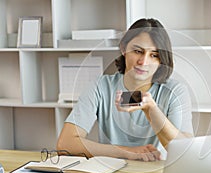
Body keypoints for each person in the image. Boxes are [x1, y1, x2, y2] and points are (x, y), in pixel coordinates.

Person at [56, 18, 194, 162]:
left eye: (154, 55)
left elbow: (184, 150)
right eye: (137, 51)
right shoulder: (100, 87)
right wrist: (128, 152)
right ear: (123, 48)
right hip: (110, 172)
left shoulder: (174, 91)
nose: (143, 62)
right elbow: (65, 143)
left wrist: (151, 110)